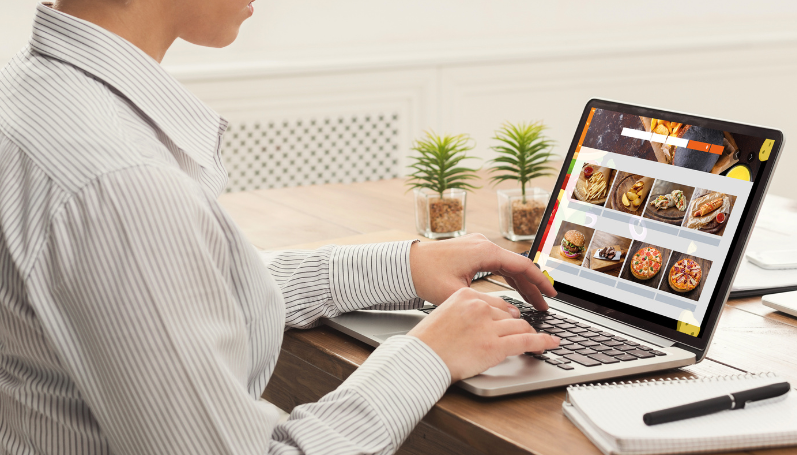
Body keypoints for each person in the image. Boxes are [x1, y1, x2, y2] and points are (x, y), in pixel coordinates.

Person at [0, 1, 559, 454]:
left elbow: (183, 288)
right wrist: (426, 356)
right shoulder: (123, 183)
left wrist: (403, 266)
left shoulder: (34, 95)